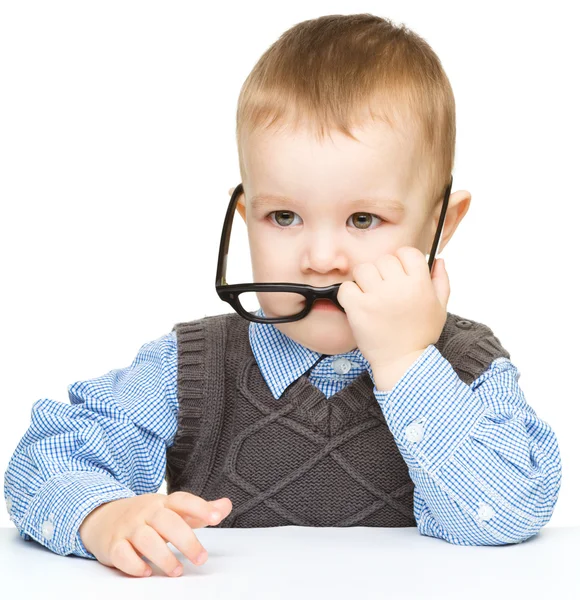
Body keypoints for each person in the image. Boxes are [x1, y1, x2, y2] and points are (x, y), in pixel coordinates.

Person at [3, 13, 562, 579]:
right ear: (245, 216)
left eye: (363, 218)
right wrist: (103, 514)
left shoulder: (464, 365)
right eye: (284, 216)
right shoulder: (192, 367)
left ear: (442, 224)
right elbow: (41, 460)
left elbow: (507, 511)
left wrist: (407, 361)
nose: (321, 257)